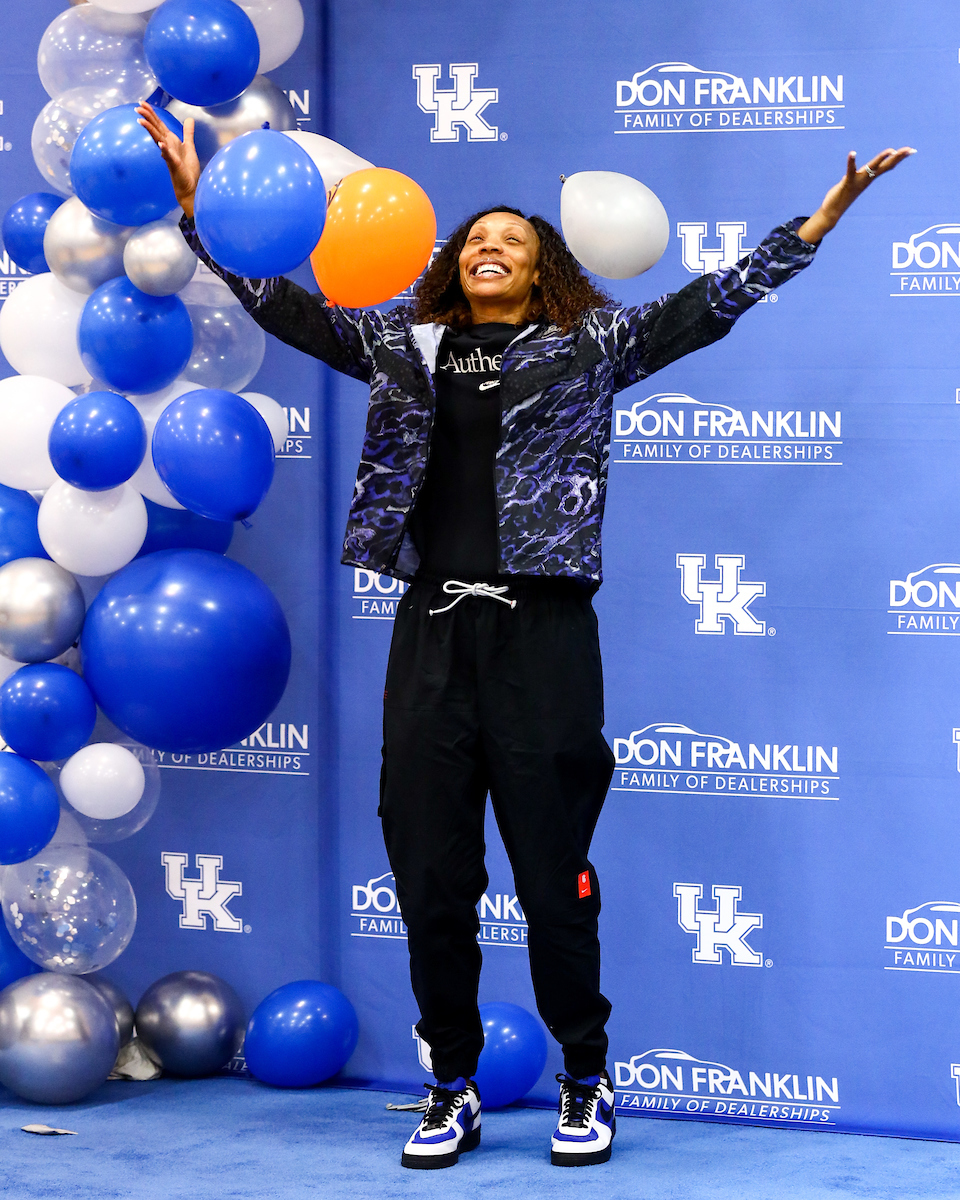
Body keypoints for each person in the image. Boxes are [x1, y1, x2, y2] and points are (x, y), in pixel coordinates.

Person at [138, 102, 912, 1169]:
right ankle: (447, 1085)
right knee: (430, 873)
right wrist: (196, 214)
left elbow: (706, 304)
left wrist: (814, 224)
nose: (492, 245)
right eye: (477, 239)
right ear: (453, 265)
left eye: (516, 239)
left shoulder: (591, 345)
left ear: (545, 270)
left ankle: (585, 1078)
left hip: (544, 637)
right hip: (432, 632)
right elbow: (282, 306)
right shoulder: (399, 343)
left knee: (554, 876)